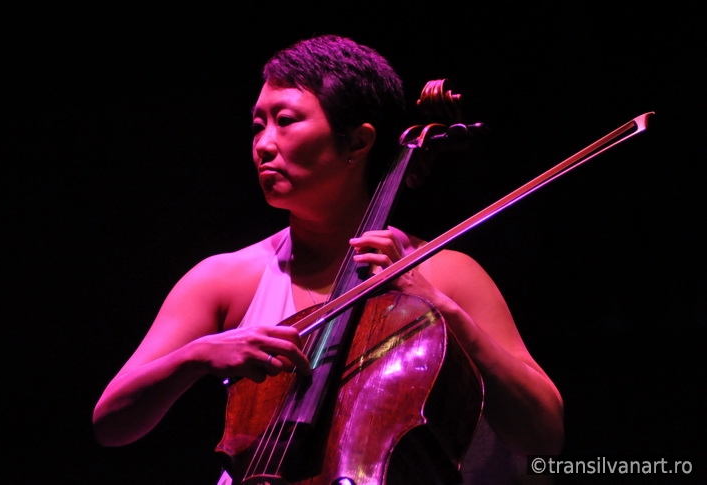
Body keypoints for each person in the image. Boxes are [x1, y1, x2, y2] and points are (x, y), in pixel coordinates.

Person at [93, 34, 564, 484]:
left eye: (286, 120)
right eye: (258, 124)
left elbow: (543, 434)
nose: (263, 143)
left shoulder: (446, 273)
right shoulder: (226, 278)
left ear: (358, 143)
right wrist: (198, 356)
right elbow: (111, 423)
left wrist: (442, 309)